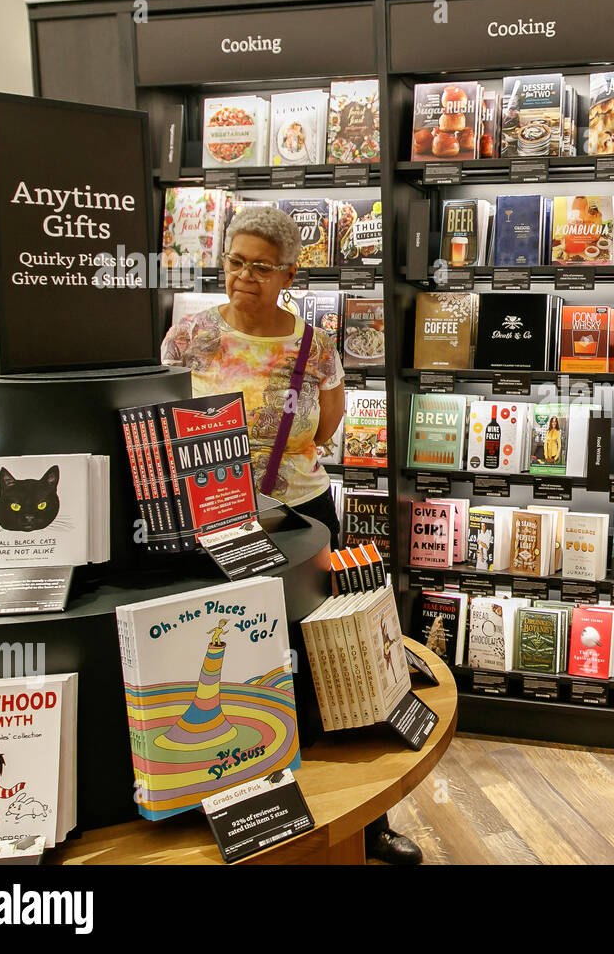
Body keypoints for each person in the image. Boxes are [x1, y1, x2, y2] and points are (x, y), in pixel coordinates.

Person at [160, 205, 422, 866]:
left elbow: (329, 424)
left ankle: (368, 818)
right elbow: (162, 421)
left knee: (335, 655)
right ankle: (232, 804)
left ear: (289, 274)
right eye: (234, 262)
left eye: (259, 266)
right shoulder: (188, 337)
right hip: (211, 522)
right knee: (224, 662)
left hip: (300, 519)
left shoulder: (316, 346)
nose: (243, 276)